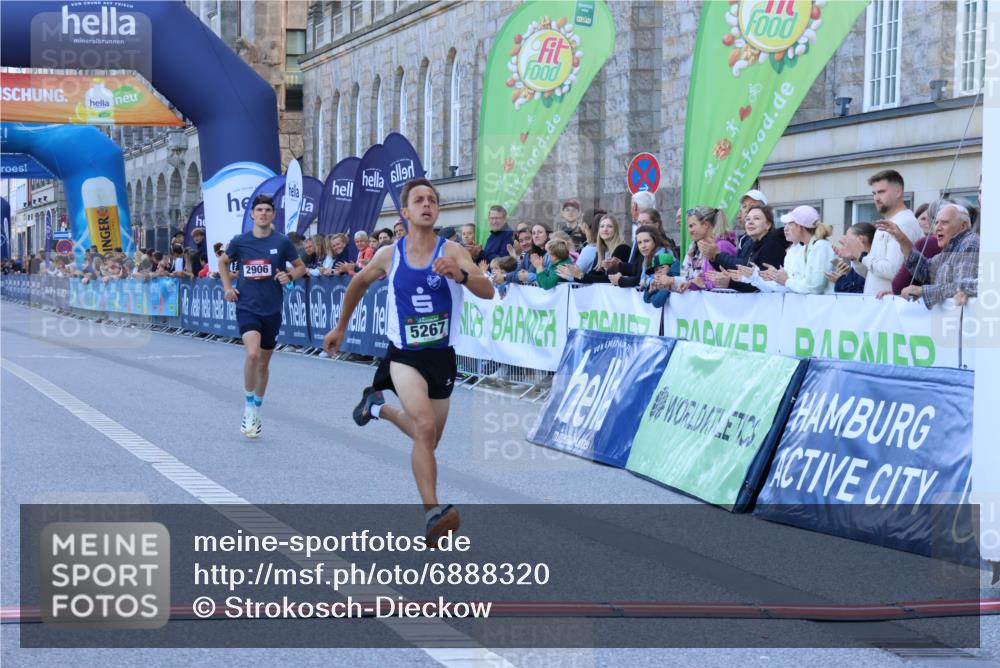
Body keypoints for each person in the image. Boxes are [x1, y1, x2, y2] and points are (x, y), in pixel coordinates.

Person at [322, 178, 494, 546]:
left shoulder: (453, 250)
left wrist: (461, 274)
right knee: (425, 426)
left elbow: (488, 290)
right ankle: (434, 513)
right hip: (404, 355)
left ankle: (377, 408)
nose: (427, 204)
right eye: (419, 200)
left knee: (427, 438)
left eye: (432, 199)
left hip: (442, 357)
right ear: (406, 212)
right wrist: (340, 327)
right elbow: (358, 284)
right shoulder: (389, 254)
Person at [218, 194, 307, 438]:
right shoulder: (240, 241)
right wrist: (227, 288)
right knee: (253, 353)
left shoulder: (282, 242)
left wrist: (289, 276)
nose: (264, 213)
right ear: (252, 215)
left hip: (272, 309)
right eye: (260, 210)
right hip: (246, 305)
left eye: (268, 210)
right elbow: (223, 262)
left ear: (273, 214)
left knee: (264, 363)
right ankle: (247, 407)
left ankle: (257, 408)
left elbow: (301, 267)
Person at [879, 203, 980, 308]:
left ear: (963, 226)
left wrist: (922, 291)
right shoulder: (952, 245)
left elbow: (963, 287)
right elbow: (924, 270)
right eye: (936, 223)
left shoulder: (969, 243)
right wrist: (902, 239)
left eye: (944, 223)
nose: (937, 228)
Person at [862, 169, 922, 294]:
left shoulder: (903, 223)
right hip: (880, 305)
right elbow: (872, 274)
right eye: (874, 193)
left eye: (881, 192)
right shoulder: (889, 221)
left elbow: (894, 271)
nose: (876, 198)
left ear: (898, 192)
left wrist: (863, 256)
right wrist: (856, 259)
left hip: (891, 307)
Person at [704, 205, 788, 292]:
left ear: (768, 225)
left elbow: (762, 284)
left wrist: (730, 282)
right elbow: (741, 273)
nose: (750, 222)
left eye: (756, 218)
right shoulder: (751, 244)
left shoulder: (772, 245)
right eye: (747, 219)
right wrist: (712, 257)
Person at [754, 205, 835, 295]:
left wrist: (786, 281)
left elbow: (815, 286)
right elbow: (801, 282)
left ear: (800, 227)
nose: (785, 228)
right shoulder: (809, 247)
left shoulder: (821, 246)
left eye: (790, 223)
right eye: (785, 224)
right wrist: (776, 276)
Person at [679, 207, 738, 290]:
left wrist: (704, 284)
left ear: (706, 225)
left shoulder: (722, 245)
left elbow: (725, 283)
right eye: (689, 227)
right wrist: (691, 284)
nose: (690, 230)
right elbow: (705, 278)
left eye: (692, 226)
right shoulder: (704, 247)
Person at [613, 225, 668, 289]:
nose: (643, 246)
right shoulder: (646, 256)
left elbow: (657, 281)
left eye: (647, 241)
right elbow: (642, 280)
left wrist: (621, 280)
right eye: (639, 243)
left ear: (655, 241)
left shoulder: (662, 254)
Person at [826, 223, 876, 293]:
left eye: (848, 239)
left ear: (860, 239)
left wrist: (840, 281)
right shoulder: (857, 266)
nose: (846, 243)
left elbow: (858, 296)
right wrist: (845, 274)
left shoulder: (876, 264)